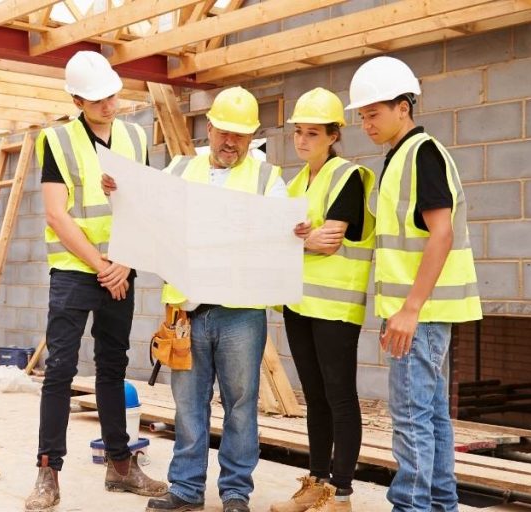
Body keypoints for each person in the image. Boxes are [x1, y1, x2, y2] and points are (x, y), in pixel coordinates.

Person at [108, 86, 287, 512]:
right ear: (209, 127)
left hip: (240, 314)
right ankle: (187, 490)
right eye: (224, 131)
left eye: (240, 135)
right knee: (188, 405)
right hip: (187, 311)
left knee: (241, 407)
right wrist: (119, 191)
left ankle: (236, 493)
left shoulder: (267, 179)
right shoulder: (179, 170)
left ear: (252, 136)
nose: (230, 142)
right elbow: (146, 215)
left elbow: (281, 233)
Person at [25, 51, 167, 512]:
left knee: (112, 367)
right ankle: (49, 471)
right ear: (76, 100)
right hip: (75, 269)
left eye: (112, 94)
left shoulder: (134, 135)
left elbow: (143, 204)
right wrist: (101, 264)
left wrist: (122, 262)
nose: (109, 104)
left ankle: (120, 467)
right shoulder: (57, 140)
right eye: (98, 99)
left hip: (120, 269)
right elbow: (55, 213)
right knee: (61, 369)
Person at [346, 56, 482, 512]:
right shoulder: (400, 156)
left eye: (374, 113)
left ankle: (412, 506)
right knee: (431, 415)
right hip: (419, 310)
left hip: (419, 312)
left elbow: (440, 233)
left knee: (410, 417)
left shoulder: (422, 154)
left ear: (403, 107)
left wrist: (409, 309)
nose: (366, 123)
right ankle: (441, 504)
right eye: (362, 115)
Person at [268, 87, 376, 512]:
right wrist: (302, 240)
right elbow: (279, 241)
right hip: (299, 304)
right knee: (313, 397)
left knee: (340, 396)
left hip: (334, 308)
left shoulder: (347, 176)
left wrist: (300, 240)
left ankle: (342, 494)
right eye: (298, 132)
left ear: (333, 135)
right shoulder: (295, 183)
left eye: (312, 133)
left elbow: (330, 243)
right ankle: (316, 482)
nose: (302, 140)